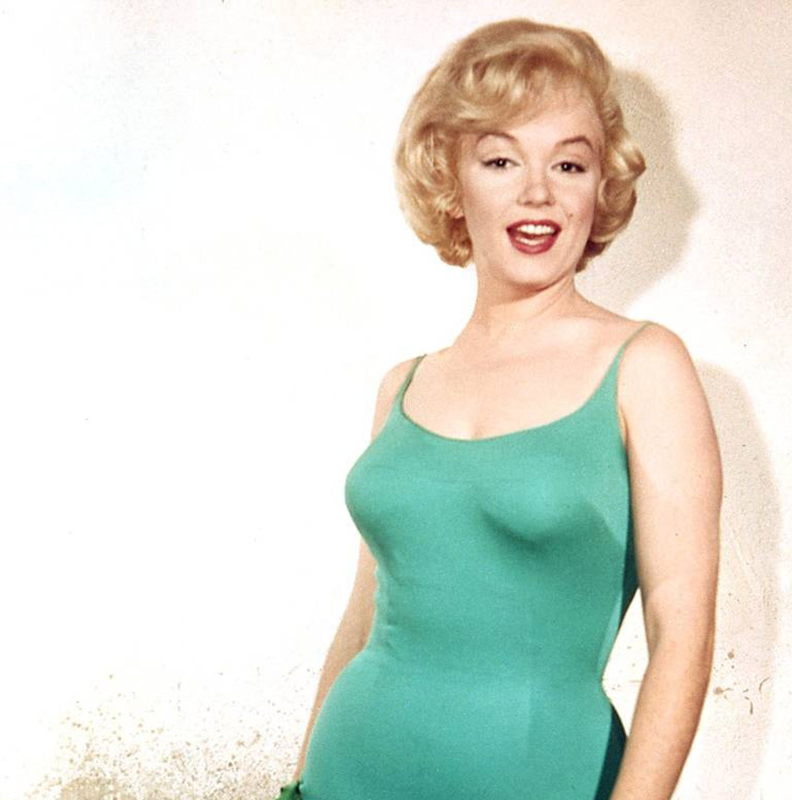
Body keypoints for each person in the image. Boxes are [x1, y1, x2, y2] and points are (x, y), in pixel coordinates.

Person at [281, 18, 721, 800]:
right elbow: (362, 620)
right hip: (350, 773)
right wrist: (300, 781)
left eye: (569, 163)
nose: (538, 192)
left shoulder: (644, 367)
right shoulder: (402, 386)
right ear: (451, 184)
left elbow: (681, 635)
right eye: (500, 159)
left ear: (600, 188)